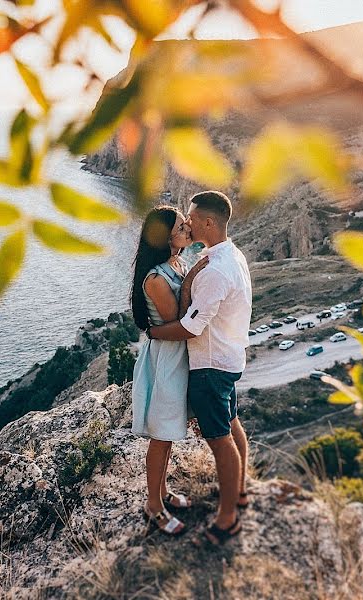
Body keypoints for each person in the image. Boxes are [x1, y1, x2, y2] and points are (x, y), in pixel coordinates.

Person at [147, 191, 253, 546]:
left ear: (209, 222)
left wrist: (152, 332)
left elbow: (189, 327)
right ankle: (238, 495)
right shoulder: (231, 256)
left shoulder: (214, 271)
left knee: (219, 441)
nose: (187, 223)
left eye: (191, 218)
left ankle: (227, 521)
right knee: (233, 426)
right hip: (230, 358)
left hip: (209, 367)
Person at [130, 205, 205, 536]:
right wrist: (194, 277)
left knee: (170, 431)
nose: (187, 228)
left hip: (178, 355)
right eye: (180, 227)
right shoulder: (157, 278)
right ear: (164, 238)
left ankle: (162, 493)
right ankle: (154, 506)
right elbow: (179, 320)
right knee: (161, 437)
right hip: (166, 360)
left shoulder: (176, 262)